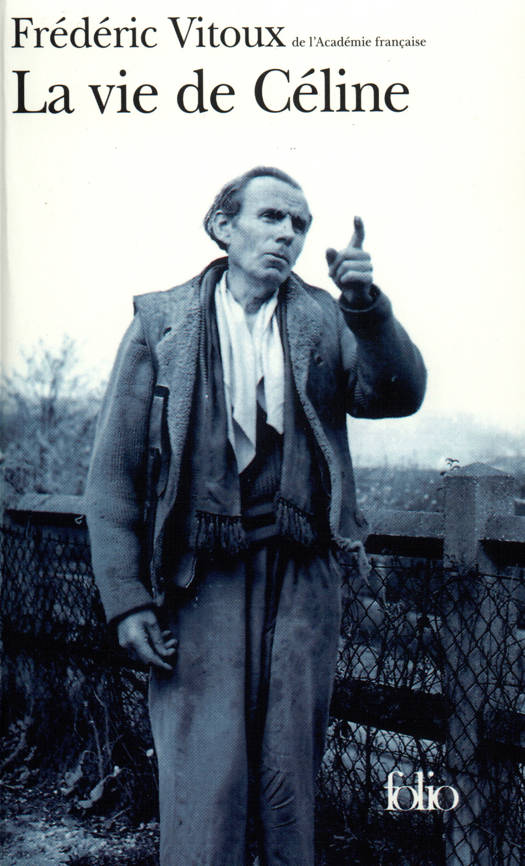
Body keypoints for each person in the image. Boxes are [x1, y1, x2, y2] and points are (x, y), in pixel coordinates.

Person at [85, 166, 426, 865]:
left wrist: (366, 307)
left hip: (302, 578)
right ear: (222, 226)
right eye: (271, 217)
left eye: (299, 224)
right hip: (197, 581)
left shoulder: (325, 319)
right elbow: (113, 478)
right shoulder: (160, 324)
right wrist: (127, 603)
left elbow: (394, 394)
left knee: (287, 781)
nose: (287, 234)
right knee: (204, 782)